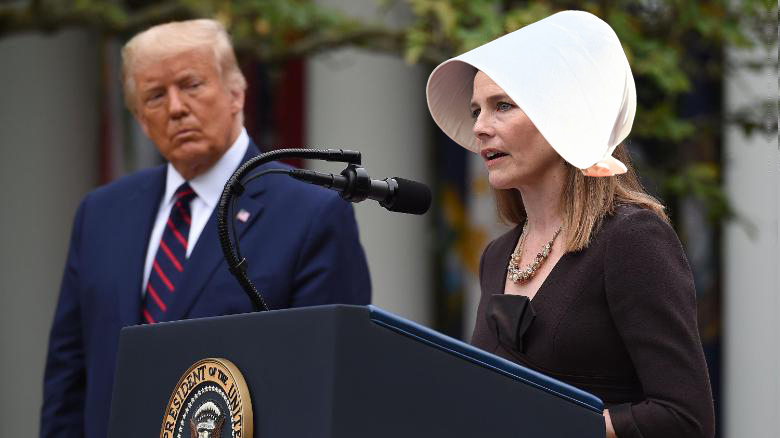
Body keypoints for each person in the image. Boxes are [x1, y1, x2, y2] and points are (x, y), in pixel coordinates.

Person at [40, 19, 371, 438]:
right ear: (140, 118)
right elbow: (68, 381)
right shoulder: (101, 214)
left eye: (191, 85)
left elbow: (330, 386)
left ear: (236, 93)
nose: (176, 107)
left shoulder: (311, 214)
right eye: (155, 96)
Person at [426, 10, 714, 438]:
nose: (481, 127)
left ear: (561, 115)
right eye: (475, 111)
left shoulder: (631, 239)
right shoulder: (496, 257)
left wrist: (562, 424)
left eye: (502, 106)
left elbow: (686, 417)